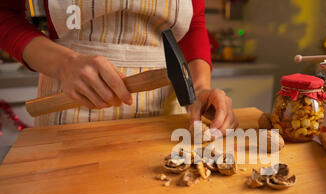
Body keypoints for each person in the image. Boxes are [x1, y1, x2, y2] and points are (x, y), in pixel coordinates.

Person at [0, 0, 237, 134]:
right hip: (70, 108)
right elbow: (4, 14)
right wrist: (64, 64)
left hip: (163, 120)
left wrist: (201, 89)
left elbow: (193, 22)